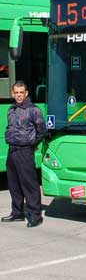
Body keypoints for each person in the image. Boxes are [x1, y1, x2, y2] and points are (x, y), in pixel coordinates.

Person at [2, 81, 47, 227]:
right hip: (12, 150)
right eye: (16, 93)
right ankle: (17, 213)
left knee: (29, 184)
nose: (19, 95)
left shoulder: (34, 110)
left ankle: (35, 215)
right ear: (13, 94)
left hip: (25, 151)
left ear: (26, 93)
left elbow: (42, 130)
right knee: (13, 184)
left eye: (21, 92)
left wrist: (32, 145)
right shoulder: (11, 110)